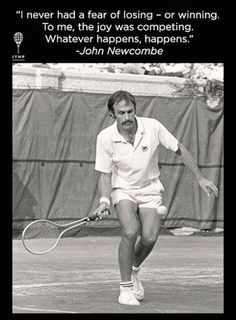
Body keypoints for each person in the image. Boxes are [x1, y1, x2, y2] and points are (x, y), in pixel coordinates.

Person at [89, 90, 218, 306]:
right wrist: (104, 200)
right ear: (112, 115)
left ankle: (133, 270)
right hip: (123, 189)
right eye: (121, 113)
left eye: (130, 111)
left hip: (150, 189)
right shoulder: (105, 138)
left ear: (135, 110)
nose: (127, 117)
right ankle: (125, 289)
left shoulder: (153, 127)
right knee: (130, 232)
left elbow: (180, 149)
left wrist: (200, 177)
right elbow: (105, 174)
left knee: (149, 238)